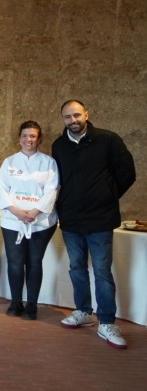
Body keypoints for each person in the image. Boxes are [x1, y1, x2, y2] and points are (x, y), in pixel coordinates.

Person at [52, 100, 136, 349]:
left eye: (77, 115)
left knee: (101, 271)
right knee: (76, 267)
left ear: (86, 115)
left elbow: (127, 173)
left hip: (100, 218)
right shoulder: (59, 146)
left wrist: (106, 196)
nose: (73, 120)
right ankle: (84, 311)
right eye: (67, 117)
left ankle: (107, 322)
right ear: (63, 120)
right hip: (71, 219)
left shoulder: (108, 140)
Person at [0, 121, 59, 321]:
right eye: (24, 135)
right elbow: (2, 189)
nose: (28, 140)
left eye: (32, 136)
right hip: (12, 221)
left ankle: (32, 304)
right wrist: (17, 212)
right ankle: (16, 301)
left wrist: (33, 212)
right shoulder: (9, 162)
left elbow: (52, 190)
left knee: (34, 263)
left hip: (39, 222)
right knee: (15, 263)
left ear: (39, 139)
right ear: (19, 138)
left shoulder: (49, 162)